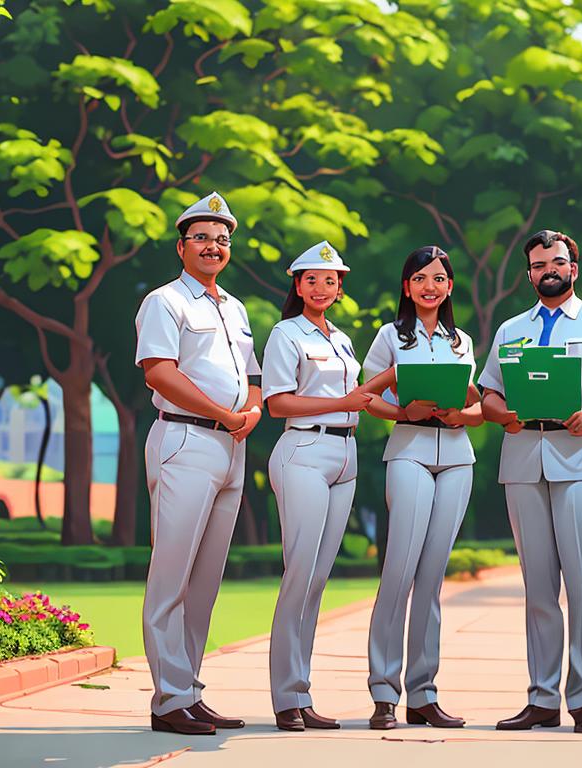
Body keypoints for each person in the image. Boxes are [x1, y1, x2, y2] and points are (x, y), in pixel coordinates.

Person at [479, 229, 582, 734]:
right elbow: (488, 396)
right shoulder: (510, 329)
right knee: (538, 587)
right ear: (528, 273)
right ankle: (542, 698)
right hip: (525, 457)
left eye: (557, 261)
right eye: (539, 264)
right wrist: (502, 416)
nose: (548, 269)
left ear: (574, 266)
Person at [135, 191, 262, 735]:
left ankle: (189, 688)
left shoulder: (233, 307)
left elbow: (252, 376)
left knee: (205, 580)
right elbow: (159, 373)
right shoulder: (165, 302)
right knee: (173, 576)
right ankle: (167, 701)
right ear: (182, 246)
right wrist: (222, 414)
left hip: (231, 445)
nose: (214, 247)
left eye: (223, 239)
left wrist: (251, 410)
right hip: (185, 441)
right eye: (203, 238)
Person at [262, 241, 392, 732]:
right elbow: (278, 403)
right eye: (312, 279)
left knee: (317, 580)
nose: (322, 287)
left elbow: (359, 398)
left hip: (345, 453)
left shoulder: (339, 337)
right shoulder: (285, 333)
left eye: (331, 280)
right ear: (298, 285)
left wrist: (381, 390)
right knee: (299, 573)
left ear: (340, 289)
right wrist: (345, 400)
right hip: (303, 451)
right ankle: (284, 698)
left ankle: (302, 691)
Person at [362, 245, 483, 730]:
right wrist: (401, 411)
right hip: (409, 453)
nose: (429, 286)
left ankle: (423, 693)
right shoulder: (391, 335)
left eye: (438, 278)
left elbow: (478, 406)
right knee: (399, 571)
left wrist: (464, 415)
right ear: (406, 286)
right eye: (419, 278)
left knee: (432, 580)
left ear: (449, 287)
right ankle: (383, 693)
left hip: (457, 457)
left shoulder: (463, 342)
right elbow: (366, 396)